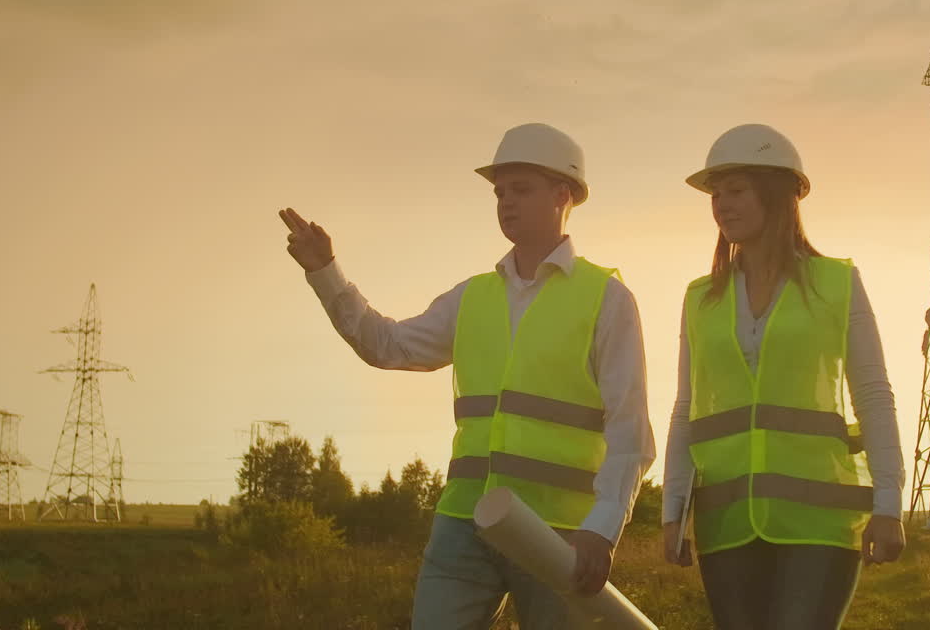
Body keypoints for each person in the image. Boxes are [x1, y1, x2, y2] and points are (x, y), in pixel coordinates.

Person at [279, 123, 655, 630]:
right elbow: (386, 346)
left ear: (563, 194)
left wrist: (602, 530)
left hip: (559, 531)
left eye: (521, 189)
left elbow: (631, 432)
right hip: (466, 522)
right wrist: (325, 270)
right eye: (500, 192)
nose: (505, 201)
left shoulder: (606, 299)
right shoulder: (472, 296)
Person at [661, 124, 906, 629]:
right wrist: (673, 508)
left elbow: (874, 396)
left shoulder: (836, 283)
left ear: (777, 195)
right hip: (725, 522)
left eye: (736, 190)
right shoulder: (699, 298)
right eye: (716, 194)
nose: (721, 205)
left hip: (820, 519)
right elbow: (686, 408)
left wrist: (889, 504)